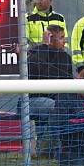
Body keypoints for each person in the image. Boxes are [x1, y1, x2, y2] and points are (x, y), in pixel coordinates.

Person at [27, 24, 72, 154]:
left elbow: (66, 80)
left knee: (64, 106)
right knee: (53, 106)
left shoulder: (65, 57)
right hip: (33, 101)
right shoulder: (36, 53)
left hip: (57, 100)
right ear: (51, 39)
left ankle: (60, 149)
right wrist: (45, 46)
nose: (64, 41)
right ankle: (46, 149)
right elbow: (37, 71)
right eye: (61, 38)